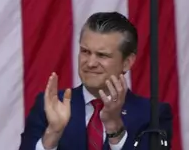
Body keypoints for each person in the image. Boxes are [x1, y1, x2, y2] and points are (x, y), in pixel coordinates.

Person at [19, 12, 173, 150]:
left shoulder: (152, 115)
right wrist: (53, 133)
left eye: (102, 55)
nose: (90, 63)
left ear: (127, 62)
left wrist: (114, 127)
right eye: (85, 52)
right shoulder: (50, 106)